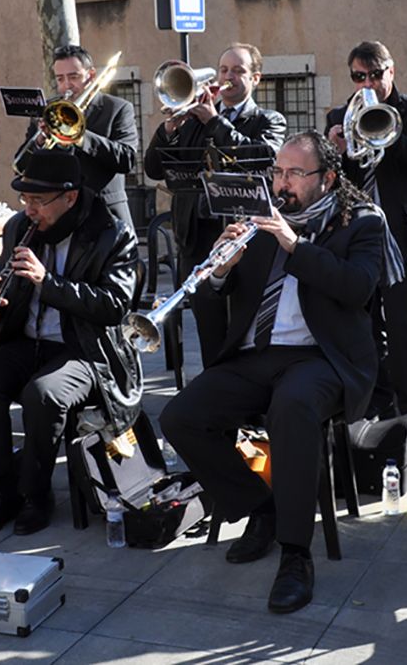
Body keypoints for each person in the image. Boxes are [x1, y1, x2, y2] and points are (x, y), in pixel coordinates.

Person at [160, 132, 386, 614]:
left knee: (294, 406)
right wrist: (222, 269)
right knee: (181, 417)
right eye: (277, 172)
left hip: (322, 357)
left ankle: (296, 553)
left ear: (326, 178)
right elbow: (218, 293)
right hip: (256, 354)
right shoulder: (255, 223)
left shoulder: (361, 221)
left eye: (293, 174)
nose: (281, 184)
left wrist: (294, 243)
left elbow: (357, 287)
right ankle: (262, 509)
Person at [0, 149, 141, 538]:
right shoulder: (17, 228)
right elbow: (0, 281)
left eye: (38, 201)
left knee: (42, 394)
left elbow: (114, 307)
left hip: (86, 349)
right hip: (28, 341)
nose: (29, 210)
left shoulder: (112, 233)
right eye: (25, 199)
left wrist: (48, 283)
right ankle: (1, 490)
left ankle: (36, 495)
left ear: (70, 197)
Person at [327, 41, 407, 420]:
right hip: (360, 235)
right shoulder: (342, 114)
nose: (369, 84)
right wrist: (335, 151)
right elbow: (334, 180)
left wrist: (387, 136)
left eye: (376, 75)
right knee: (364, 323)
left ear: (391, 72)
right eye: (360, 76)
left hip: (404, 234)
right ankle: (374, 401)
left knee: (402, 322)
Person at [143, 43, 287, 276]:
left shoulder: (269, 120)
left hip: (241, 232)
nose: (229, 76)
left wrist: (214, 121)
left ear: (256, 78)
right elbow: (154, 170)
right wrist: (169, 129)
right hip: (194, 234)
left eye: (238, 70)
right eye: (223, 70)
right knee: (202, 306)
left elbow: (265, 157)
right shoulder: (192, 120)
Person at [16, 45, 139, 230]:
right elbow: (21, 167)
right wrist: (40, 139)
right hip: (60, 216)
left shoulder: (117, 108)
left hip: (105, 213)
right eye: (60, 78)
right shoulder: (47, 110)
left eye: (74, 77)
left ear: (90, 75)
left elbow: (127, 159)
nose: (67, 85)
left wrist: (79, 136)